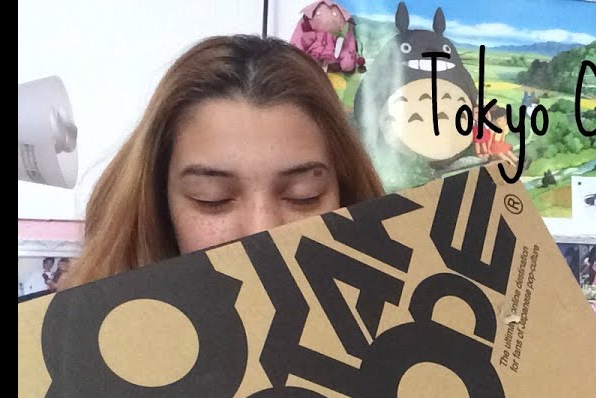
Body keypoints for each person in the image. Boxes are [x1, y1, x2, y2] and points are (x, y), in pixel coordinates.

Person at [61, 34, 384, 290]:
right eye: (212, 198)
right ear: (158, 204)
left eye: (304, 195)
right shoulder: (82, 343)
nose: (262, 231)